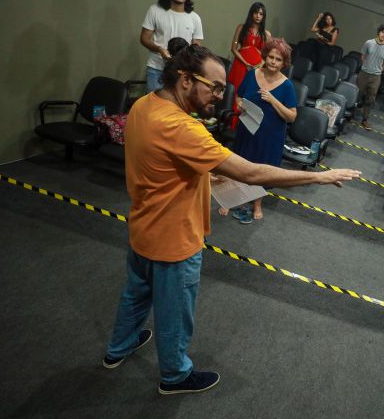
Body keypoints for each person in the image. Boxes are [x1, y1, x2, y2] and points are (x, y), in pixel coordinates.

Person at [103, 44, 359, 395]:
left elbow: (159, 163)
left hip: (142, 227)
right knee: (175, 314)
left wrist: (207, 176)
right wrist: (319, 176)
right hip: (174, 240)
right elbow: (252, 173)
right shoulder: (182, 128)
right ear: (184, 79)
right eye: (214, 87)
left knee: (135, 294)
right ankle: (175, 376)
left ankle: (119, 346)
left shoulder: (144, 105)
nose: (220, 96)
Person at [228, 38, 297, 223]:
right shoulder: (252, 75)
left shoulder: (287, 85)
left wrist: (273, 100)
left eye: (278, 59)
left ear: (284, 63)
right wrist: (240, 105)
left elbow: (291, 116)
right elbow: (239, 96)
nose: (273, 62)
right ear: (265, 57)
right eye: (271, 57)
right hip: (248, 128)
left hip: (270, 135)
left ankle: (257, 203)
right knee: (241, 163)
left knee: (262, 168)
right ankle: (234, 199)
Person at [140, 0, 203, 92]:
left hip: (181, 72)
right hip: (157, 68)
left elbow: (196, 46)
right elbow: (144, 38)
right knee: (155, 108)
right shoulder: (155, 10)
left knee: (177, 109)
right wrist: (159, 49)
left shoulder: (194, 17)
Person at [227, 2, 270, 106]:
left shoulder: (266, 34)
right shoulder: (242, 27)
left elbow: (267, 55)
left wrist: (259, 66)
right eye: (256, 13)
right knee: (236, 90)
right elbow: (234, 48)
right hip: (241, 65)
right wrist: (245, 63)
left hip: (256, 69)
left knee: (250, 93)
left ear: (263, 16)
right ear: (251, 13)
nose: (258, 16)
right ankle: (230, 118)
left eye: (261, 14)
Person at [356, 24, 384, 129]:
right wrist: (367, 66)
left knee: (370, 99)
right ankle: (350, 114)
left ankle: (365, 120)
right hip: (364, 73)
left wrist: (378, 70)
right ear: (378, 32)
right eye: (382, 32)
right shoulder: (369, 43)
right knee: (358, 95)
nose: (383, 35)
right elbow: (362, 56)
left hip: (376, 77)